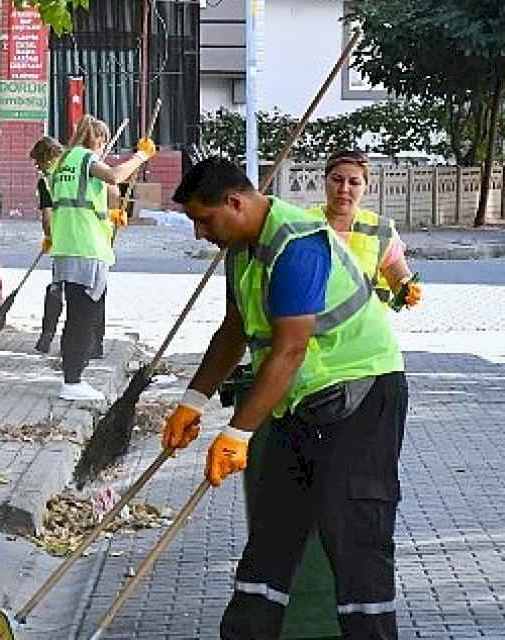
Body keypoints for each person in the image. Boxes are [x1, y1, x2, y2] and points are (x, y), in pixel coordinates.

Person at [163, 157, 407, 639]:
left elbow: (290, 349)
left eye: (203, 220)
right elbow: (233, 333)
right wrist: (193, 400)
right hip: (303, 404)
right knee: (274, 529)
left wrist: (236, 434)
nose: (199, 234)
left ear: (234, 202)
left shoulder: (297, 243)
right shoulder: (242, 248)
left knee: (354, 535)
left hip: (361, 397)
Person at [47, 115, 155, 401]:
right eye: (102, 142)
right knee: (83, 317)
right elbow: (115, 176)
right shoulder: (84, 158)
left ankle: (73, 375)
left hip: (66, 246)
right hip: (87, 247)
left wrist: (112, 211)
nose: (103, 148)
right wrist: (141, 156)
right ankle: (72, 381)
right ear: (96, 140)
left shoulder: (63, 162)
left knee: (77, 314)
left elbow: (105, 192)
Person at [309, 149, 420, 309]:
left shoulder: (381, 230)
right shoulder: (301, 224)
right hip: (313, 332)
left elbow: (399, 279)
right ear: (324, 181)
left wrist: (408, 291)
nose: (344, 189)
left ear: (365, 187)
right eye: (337, 179)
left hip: (366, 332)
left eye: (354, 182)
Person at [28, 136, 65, 355]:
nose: (37, 167)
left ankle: (47, 335)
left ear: (48, 158)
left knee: (56, 290)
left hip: (62, 243)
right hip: (84, 241)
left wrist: (49, 236)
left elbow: (47, 214)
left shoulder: (47, 181)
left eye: (38, 161)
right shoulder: (74, 174)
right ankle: (92, 343)